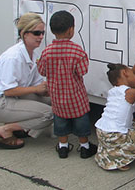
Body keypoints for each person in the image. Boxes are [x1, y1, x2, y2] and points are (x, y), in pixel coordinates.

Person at [0, 13, 53, 149]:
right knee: (48, 114)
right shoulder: (13, 57)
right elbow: (8, 90)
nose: (41, 37)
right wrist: (37, 89)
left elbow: (37, 86)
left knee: (55, 103)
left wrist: (49, 90)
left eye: (42, 33)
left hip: (14, 97)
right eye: (37, 33)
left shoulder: (34, 55)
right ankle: (7, 130)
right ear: (24, 34)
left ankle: (19, 126)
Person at [37, 10, 97, 159]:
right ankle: (84, 147)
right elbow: (82, 71)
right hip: (76, 98)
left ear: (51, 30)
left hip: (57, 98)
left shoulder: (46, 52)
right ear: (71, 30)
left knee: (60, 123)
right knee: (81, 123)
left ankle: (63, 147)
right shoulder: (77, 51)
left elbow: (42, 71)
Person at [94, 50, 135, 171]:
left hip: (101, 132)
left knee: (134, 125)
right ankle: (121, 157)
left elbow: (132, 78)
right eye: (132, 72)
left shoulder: (114, 91)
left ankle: (112, 153)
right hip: (115, 135)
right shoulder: (132, 93)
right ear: (125, 73)